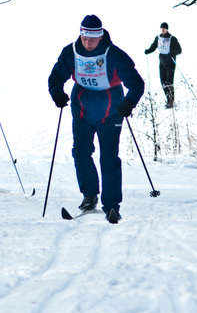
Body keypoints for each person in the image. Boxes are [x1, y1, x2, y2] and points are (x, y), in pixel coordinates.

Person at [48, 15, 144, 224]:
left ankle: (111, 205)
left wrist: (129, 103)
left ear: (100, 37)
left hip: (111, 109)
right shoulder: (70, 52)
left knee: (109, 157)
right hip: (82, 108)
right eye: (84, 38)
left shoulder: (115, 55)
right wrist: (57, 93)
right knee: (81, 152)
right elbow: (55, 77)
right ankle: (89, 196)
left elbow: (137, 84)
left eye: (92, 39)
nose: (87, 43)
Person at [144, 22, 182, 108]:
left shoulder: (172, 39)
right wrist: (148, 51)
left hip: (170, 63)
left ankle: (171, 101)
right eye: (161, 28)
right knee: (163, 82)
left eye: (164, 28)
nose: (163, 30)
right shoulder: (158, 38)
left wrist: (171, 53)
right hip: (162, 63)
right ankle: (168, 99)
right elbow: (153, 47)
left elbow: (179, 50)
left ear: (167, 29)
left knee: (169, 82)